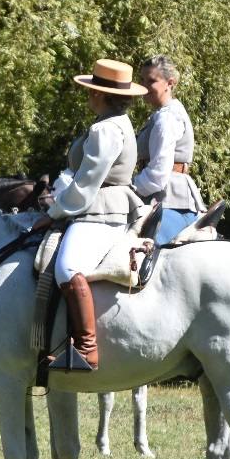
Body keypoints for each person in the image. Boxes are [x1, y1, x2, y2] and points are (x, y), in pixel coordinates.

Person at [42, 58, 147, 371]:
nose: (87, 96)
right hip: (101, 206)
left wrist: (54, 211)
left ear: (100, 95)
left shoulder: (106, 129)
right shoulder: (115, 123)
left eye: (90, 91)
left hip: (102, 210)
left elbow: (87, 181)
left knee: (66, 267)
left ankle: (87, 349)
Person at [132, 55, 207, 244]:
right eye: (142, 80)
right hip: (164, 198)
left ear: (170, 83)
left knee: (129, 249)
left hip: (170, 202)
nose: (144, 86)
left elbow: (158, 174)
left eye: (151, 81)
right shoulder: (163, 114)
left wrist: (129, 188)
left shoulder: (166, 119)